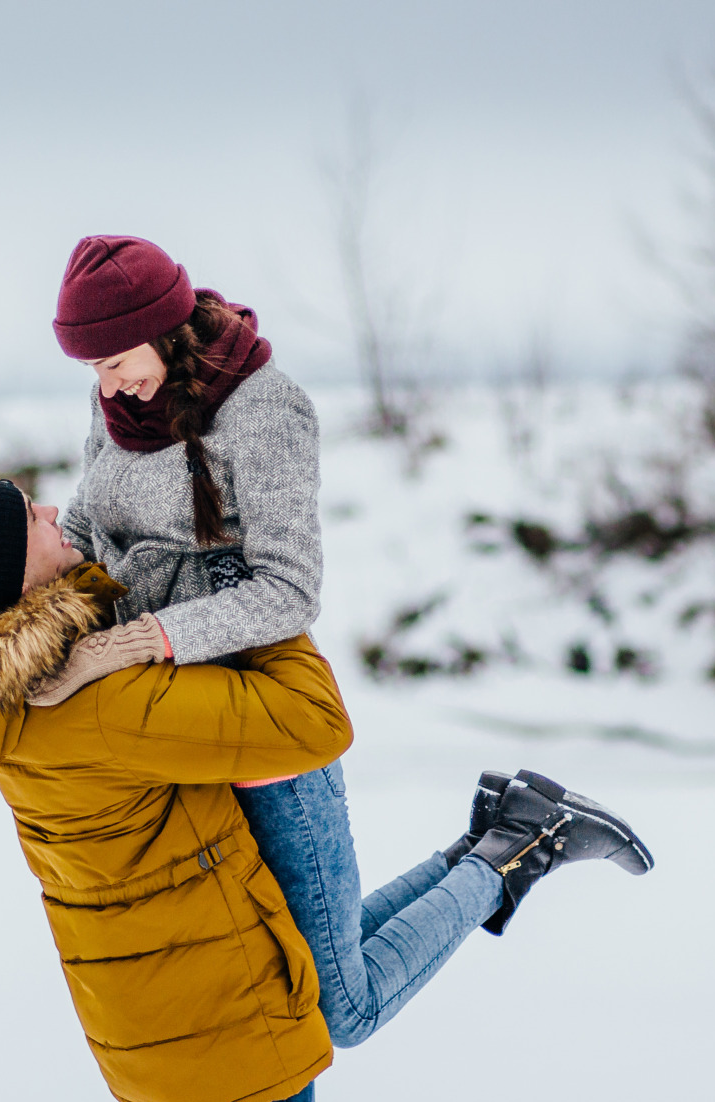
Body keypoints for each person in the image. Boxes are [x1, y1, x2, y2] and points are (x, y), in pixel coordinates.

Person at [0, 479, 654, 1102]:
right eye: (31, 517)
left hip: (138, 1031)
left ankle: (494, 847)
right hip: (227, 1028)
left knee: (339, 1000)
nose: (55, 510)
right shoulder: (94, 702)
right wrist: (256, 609)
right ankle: (512, 846)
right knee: (352, 1004)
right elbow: (314, 722)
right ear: (9, 578)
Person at [36, 234, 654, 1051]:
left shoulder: (265, 409)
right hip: (183, 727)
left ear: (163, 325)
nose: (111, 384)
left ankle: (519, 846)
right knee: (295, 963)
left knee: (339, 1010)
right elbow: (90, 518)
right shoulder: (117, 404)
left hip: (263, 722)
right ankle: (496, 838)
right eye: (95, 372)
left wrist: (141, 641)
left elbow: (289, 589)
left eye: (117, 361)